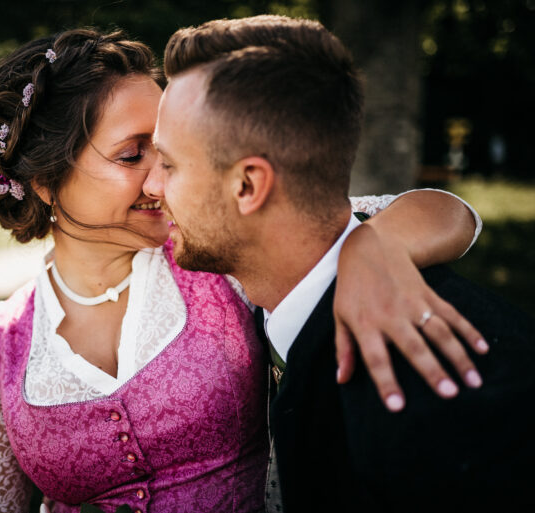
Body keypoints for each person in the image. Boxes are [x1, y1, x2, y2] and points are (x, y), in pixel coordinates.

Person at [0, 29, 483, 513]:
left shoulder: (215, 249)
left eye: (165, 151)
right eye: (132, 155)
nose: (160, 179)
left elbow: (449, 213)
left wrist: (369, 247)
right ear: (45, 183)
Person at [145, 15, 535, 512]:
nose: (152, 186)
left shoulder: (426, 405)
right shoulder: (284, 301)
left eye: (169, 164)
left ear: (248, 186)